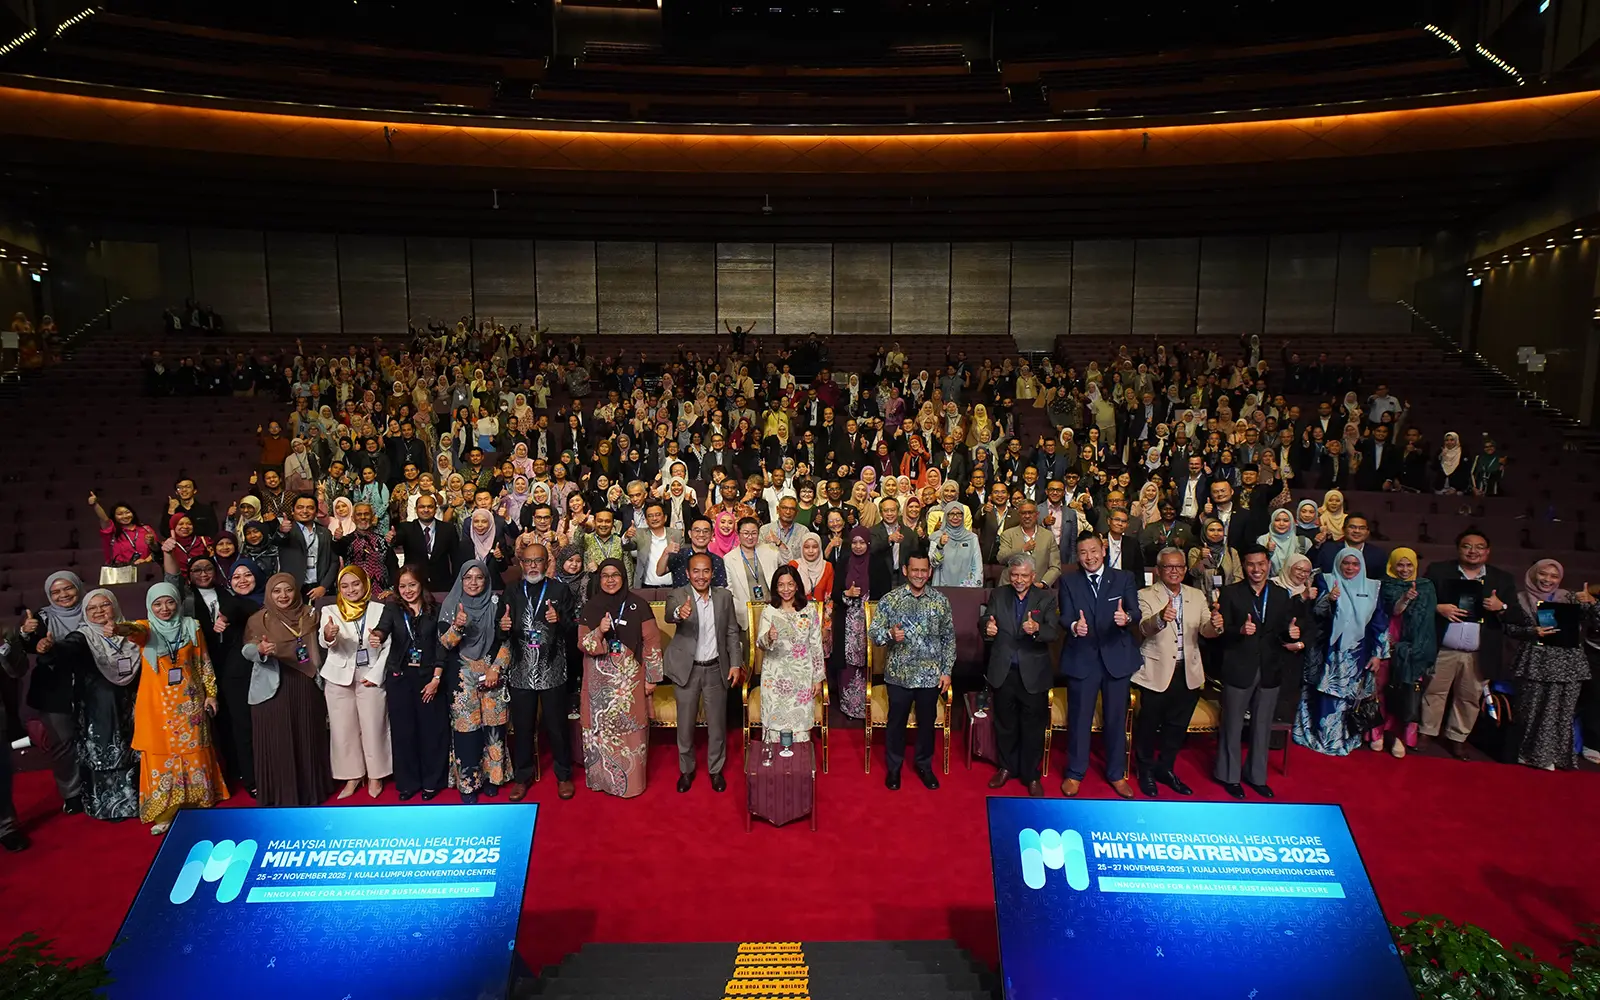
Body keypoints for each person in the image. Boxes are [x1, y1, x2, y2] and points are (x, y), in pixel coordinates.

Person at [113, 582, 229, 834]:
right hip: (157, 705)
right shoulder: (146, 628)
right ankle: (165, 812)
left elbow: (203, 661)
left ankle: (197, 804)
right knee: (161, 755)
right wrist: (118, 629)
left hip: (190, 702)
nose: (164, 608)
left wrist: (211, 694)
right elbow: (133, 631)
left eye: (169, 602)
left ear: (178, 603)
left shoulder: (192, 626)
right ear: (149, 606)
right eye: (157, 604)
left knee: (194, 751)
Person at [1056, 532, 1141, 798]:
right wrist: (1074, 626)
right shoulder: (1068, 581)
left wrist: (1126, 618)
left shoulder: (1124, 578)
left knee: (1116, 719)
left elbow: (1136, 612)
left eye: (1093, 551)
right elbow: (1065, 616)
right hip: (1082, 657)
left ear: (1103, 551)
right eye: (1083, 553)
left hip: (1116, 658)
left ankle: (1116, 773)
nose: (1089, 557)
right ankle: (1075, 772)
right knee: (1079, 719)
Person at [1132, 547, 1222, 797]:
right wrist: (1161, 618)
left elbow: (1205, 630)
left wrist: (1215, 626)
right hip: (1156, 671)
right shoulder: (1145, 594)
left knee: (1176, 727)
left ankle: (1166, 769)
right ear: (1158, 570)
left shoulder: (1196, 595)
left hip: (1188, 671)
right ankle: (1145, 771)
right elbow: (1144, 627)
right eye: (1169, 567)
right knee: (1148, 726)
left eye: (1179, 566)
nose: (1175, 571)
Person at [1421, 529, 1517, 760]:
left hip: (1479, 652)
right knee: (1433, 691)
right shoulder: (1439, 571)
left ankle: (1458, 738)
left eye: (1479, 547)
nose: (1473, 551)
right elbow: (1421, 599)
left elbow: (1516, 615)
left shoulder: (1502, 578)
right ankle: (1426, 732)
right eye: (1467, 546)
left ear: (1487, 551)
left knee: (1469, 697)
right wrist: (1437, 608)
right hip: (1444, 648)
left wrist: (1501, 607)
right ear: (1458, 549)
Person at [1216, 545, 1302, 798]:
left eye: (1261, 564)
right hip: (1239, 666)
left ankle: (1256, 776)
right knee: (1232, 725)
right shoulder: (1230, 593)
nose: (1257, 569)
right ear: (1244, 566)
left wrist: (1291, 634)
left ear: (1268, 564)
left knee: (1262, 726)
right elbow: (1220, 633)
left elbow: (1283, 631)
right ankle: (1229, 776)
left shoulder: (1280, 594)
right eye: (1251, 564)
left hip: (1269, 668)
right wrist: (1239, 631)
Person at [575, 558, 665, 798]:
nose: (610, 580)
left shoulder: (639, 605)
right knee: (600, 730)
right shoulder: (591, 607)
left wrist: (652, 678)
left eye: (615, 575)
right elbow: (583, 644)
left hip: (629, 683)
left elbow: (652, 643)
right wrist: (600, 630)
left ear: (623, 577)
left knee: (630, 729)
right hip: (599, 684)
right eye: (605, 575)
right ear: (599, 579)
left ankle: (630, 785)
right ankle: (602, 782)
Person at [245, 573, 336, 806]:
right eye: (277, 591)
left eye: (288, 590)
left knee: (307, 738)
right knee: (278, 742)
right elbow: (247, 650)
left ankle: (310, 792)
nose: (283, 595)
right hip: (273, 689)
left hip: (306, 684)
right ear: (269, 594)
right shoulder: (259, 619)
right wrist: (260, 650)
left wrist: (328, 638)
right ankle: (280, 795)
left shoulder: (311, 614)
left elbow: (322, 646)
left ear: (297, 591)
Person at [868, 555, 954, 790]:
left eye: (923, 570)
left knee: (927, 724)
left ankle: (924, 766)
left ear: (930, 572)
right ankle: (894, 769)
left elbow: (948, 638)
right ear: (905, 570)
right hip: (899, 675)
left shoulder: (940, 601)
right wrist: (889, 635)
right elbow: (873, 634)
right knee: (896, 724)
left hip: (930, 676)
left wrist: (946, 671)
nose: (919, 575)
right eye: (915, 570)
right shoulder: (891, 600)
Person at [500, 539, 577, 801]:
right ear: (521, 563)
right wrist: (503, 626)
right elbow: (502, 628)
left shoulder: (560, 590)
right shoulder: (511, 591)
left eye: (538, 560)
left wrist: (560, 620)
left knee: (557, 726)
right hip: (521, 669)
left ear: (547, 563)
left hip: (551, 667)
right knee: (522, 727)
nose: (533, 566)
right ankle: (522, 777)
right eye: (528, 561)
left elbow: (572, 629)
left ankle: (563, 775)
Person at [1503, 559, 1597, 770]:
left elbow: (1596, 621)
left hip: (1569, 666)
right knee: (1531, 712)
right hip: (1534, 663)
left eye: (1554, 576)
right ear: (1533, 574)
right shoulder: (1519, 599)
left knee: (1561, 713)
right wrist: (1532, 631)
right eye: (1543, 574)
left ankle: (1556, 757)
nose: (1548, 580)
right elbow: (1509, 628)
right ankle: (1531, 755)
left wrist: (1592, 602)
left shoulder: (1571, 598)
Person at [980, 553, 1060, 796]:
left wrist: (1037, 629)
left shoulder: (1045, 598)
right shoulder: (998, 594)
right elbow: (985, 619)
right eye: (1014, 575)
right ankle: (1006, 767)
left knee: (1033, 727)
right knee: (1005, 724)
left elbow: (1053, 632)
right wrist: (987, 627)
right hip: (1003, 671)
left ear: (1033, 576)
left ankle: (1030, 774)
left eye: (1024, 575)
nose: (1019, 580)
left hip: (1033, 673)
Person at [664, 553, 743, 792]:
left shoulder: (724, 597)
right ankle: (686, 770)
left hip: (716, 669)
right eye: (696, 571)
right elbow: (669, 614)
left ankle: (715, 770)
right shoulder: (678, 595)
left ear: (712, 573)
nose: (701, 576)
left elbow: (732, 631)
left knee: (717, 725)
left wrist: (735, 663)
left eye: (706, 571)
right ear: (688, 574)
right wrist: (679, 613)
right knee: (685, 726)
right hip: (687, 670)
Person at [1295, 548, 1385, 757]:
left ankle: (1344, 737)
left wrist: (1378, 653)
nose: (1350, 568)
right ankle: (1324, 738)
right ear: (1338, 563)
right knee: (1325, 694)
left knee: (1350, 697)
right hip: (1326, 651)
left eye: (1355, 564)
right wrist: (1329, 599)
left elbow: (1379, 622)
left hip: (1357, 653)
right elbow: (1315, 613)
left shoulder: (1373, 587)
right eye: (1346, 563)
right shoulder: (1326, 580)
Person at [372, 563, 449, 800]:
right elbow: (382, 629)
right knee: (404, 733)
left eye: (412, 585)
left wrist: (436, 678)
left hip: (429, 678)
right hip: (401, 678)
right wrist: (377, 637)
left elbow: (442, 646)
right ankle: (407, 783)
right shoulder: (392, 608)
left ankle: (432, 781)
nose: (407, 590)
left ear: (421, 584)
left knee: (431, 731)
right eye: (402, 586)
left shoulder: (436, 609)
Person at [316, 565, 392, 800]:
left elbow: (389, 645)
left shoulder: (380, 609)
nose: (350, 590)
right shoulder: (330, 609)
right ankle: (352, 776)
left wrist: (376, 674)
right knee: (343, 730)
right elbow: (324, 641)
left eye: (356, 584)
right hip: (339, 677)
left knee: (374, 726)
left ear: (365, 584)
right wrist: (329, 635)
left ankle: (376, 775)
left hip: (370, 676)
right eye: (344, 586)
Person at [438, 560, 510, 802]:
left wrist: (496, 668)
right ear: (461, 580)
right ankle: (469, 783)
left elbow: (506, 641)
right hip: (462, 678)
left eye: (479, 577)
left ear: (486, 580)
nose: (473, 583)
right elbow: (445, 644)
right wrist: (457, 627)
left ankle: (491, 778)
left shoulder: (496, 604)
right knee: (466, 731)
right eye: (468, 578)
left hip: (492, 675)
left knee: (493, 727)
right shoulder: (451, 605)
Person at [18, 571, 88, 815]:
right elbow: (30, 644)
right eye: (55, 592)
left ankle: (97, 787)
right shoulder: (42, 617)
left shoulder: (93, 607)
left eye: (68, 588)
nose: (63, 595)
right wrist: (27, 634)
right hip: (54, 690)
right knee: (63, 743)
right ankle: (72, 794)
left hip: (92, 683)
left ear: (78, 587)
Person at [72, 589, 141, 821]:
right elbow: (67, 648)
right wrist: (48, 647)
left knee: (133, 751)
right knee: (107, 753)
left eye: (104, 605)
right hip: (99, 709)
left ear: (115, 606)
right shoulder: (82, 637)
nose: (99, 611)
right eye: (92, 608)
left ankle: (138, 802)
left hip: (130, 706)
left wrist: (124, 630)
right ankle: (108, 808)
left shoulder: (133, 632)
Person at [1372, 548, 1437, 758]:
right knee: (1381, 688)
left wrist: (1418, 648)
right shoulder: (1384, 584)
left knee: (1406, 691)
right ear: (1392, 565)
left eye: (1409, 565)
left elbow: (1429, 620)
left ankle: (1400, 737)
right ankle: (1377, 733)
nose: (1405, 569)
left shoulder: (1426, 586)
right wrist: (1405, 598)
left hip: (1412, 647)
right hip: (1388, 642)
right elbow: (1392, 611)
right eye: (1400, 564)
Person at [753, 564, 826, 746]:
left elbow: (816, 646)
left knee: (800, 726)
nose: (786, 589)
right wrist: (769, 636)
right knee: (774, 726)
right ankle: (774, 762)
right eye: (781, 585)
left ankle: (799, 761)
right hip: (775, 678)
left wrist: (818, 678)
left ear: (797, 586)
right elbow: (760, 644)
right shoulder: (769, 611)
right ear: (775, 587)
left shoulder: (809, 610)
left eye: (790, 584)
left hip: (802, 677)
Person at [725, 516, 781, 630]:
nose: (750, 537)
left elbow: (787, 562)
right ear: (738, 534)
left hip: (771, 608)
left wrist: (779, 543)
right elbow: (729, 590)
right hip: (745, 613)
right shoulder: (729, 558)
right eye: (746, 533)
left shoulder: (769, 550)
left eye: (754, 533)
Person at [930, 503, 985, 587]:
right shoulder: (937, 536)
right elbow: (934, 563)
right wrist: (940, 546)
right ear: (946, 516)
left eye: (959, 514)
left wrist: (975, 588)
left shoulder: (972, 538)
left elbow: (977, 567)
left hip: (966, 588)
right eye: (951, 514)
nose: (955, 517)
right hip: (942, 587)